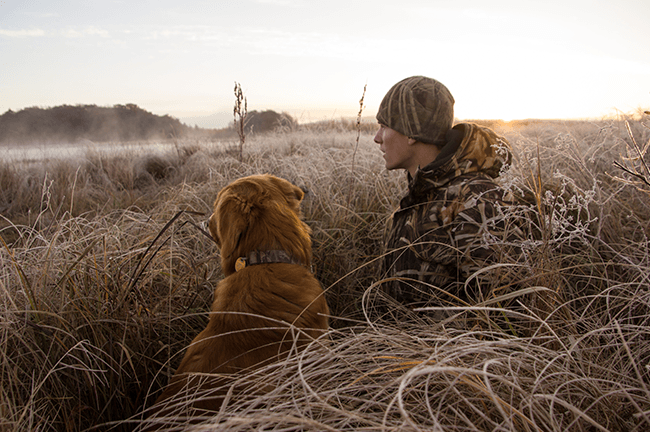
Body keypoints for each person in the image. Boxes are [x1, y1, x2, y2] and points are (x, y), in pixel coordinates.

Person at [374, 76, 521, 315]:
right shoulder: (423, 193)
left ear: (411, 132)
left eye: (384, 125)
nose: (377, 137)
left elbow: (501, 318)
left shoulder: (477, 202)